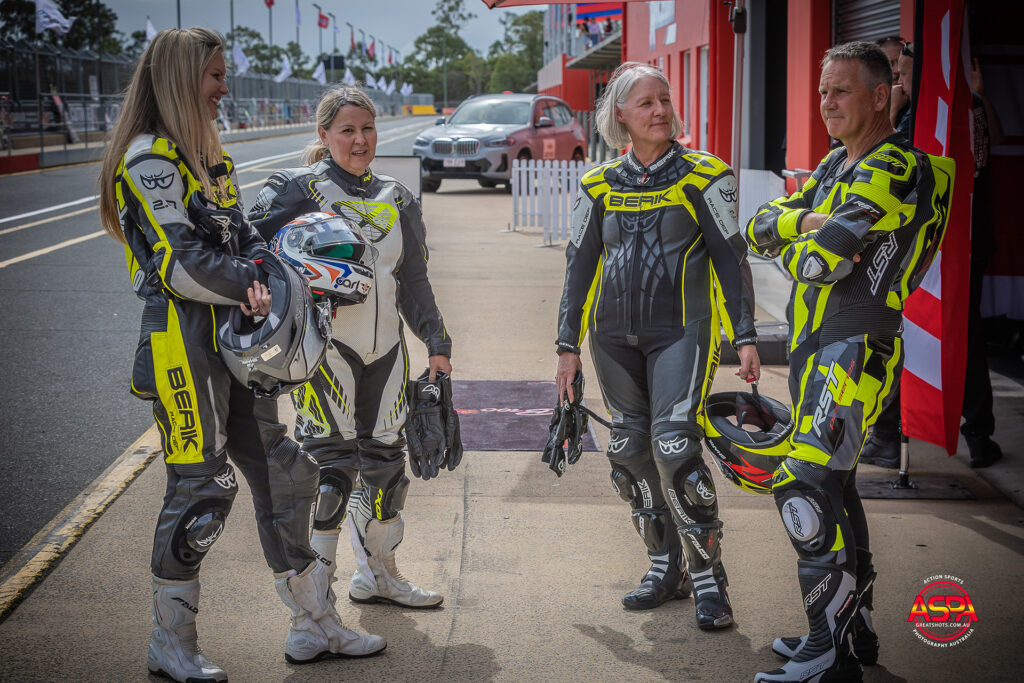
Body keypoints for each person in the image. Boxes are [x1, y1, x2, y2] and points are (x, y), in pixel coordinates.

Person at [97, 29, 385, 682]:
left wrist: (263, 272)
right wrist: (254, 282)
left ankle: (316, 622)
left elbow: (247, 234)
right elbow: (181, 263)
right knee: (202, 490)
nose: (224, 88)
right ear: (181, 78)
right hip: (180, 343)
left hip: (236, 336)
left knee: (288, 473)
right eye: (215, 76)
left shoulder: (208, 156)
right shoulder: (148, 159)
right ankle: (171, 642)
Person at [746, 42, 953, 681]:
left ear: (881, 95)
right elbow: (757, 226)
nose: (826, 103)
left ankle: (825, 649)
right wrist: (811, 222)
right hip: (816, 346)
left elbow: (818, 262)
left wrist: (800, 234)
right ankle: (850, 629)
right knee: (833, 485)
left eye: (841, 91)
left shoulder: (895, 166)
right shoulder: (838, 163)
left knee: (802, 483)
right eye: (823, 91)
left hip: (857, 348)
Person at [554, 62, 760, 629]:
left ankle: (708, 577)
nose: (660, 111)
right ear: (620, 114)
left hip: (683, 333)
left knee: (674, 447)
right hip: (611, 338)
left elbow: (731, 259)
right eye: (646, 103)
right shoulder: (596, 183)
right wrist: (566, 345)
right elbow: (578, 265)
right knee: (628, 450)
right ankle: (664, 566)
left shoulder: (705, 175)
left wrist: (744, 335)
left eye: (665, 100)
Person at [249, 85, 452, 610]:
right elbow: (247, 253)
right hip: (325, 350)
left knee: (387, 468)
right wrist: (267, 310)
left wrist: (437, 341)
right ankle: (315, 603)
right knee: (331, 473)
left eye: (367, 129)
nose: (360, 140)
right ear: (323, 134)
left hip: (388, 350)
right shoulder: (295, 189)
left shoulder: (397, 196)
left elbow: (413, 278)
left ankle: (378, 577)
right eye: (346, 130)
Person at [861, 54, 1004, 470]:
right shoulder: (964, 108)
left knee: (906, 333)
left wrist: (890, 112)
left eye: (903, 72)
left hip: (931, 245)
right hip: (966, 241)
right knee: (964, 337)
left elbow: (882, 165)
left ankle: (890, 434)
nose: (898, 80)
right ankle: (978, 434)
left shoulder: (919, 121)